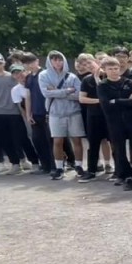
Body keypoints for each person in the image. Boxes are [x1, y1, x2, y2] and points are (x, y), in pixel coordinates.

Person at [97, 57, 132, 190]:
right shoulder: (103, 85)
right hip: (114, 122)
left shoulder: (128, 82)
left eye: (116, 68)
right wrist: (126, 101)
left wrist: (115, 101)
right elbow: (106, 105)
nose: (114, 71)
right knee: (119, 150)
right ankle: (126, 176)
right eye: (110, 69)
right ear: (105, 70)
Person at [40, 51, 86, 180]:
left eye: (60, 60)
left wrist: (56, 91)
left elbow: (79, 94)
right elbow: (46, 93)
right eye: (54, 60)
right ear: (50, 61)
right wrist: (67, 91)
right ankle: (59, 167)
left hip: (73, 112)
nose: (58, 62)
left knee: (77, 140)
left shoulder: (72, 76)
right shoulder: (43, 75)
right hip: (55, 113)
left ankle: (79, 166)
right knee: (57, 140)